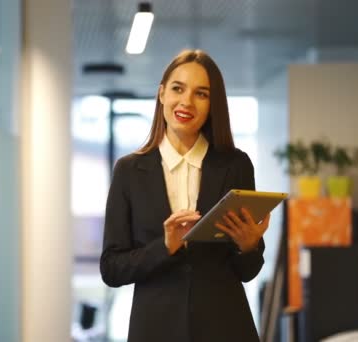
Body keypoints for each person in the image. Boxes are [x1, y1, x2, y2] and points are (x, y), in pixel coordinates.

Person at [99, 49, 271, 342]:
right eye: (178, 89)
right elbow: (112, 269)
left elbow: (247, 271)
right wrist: (165, 246)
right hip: (155, 329)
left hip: (226, 327)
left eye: (201, 94)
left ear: (212, 105)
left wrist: (250, 246)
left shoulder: (235, 165)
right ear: (162, 93)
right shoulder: (129, 170)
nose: (187, 102)